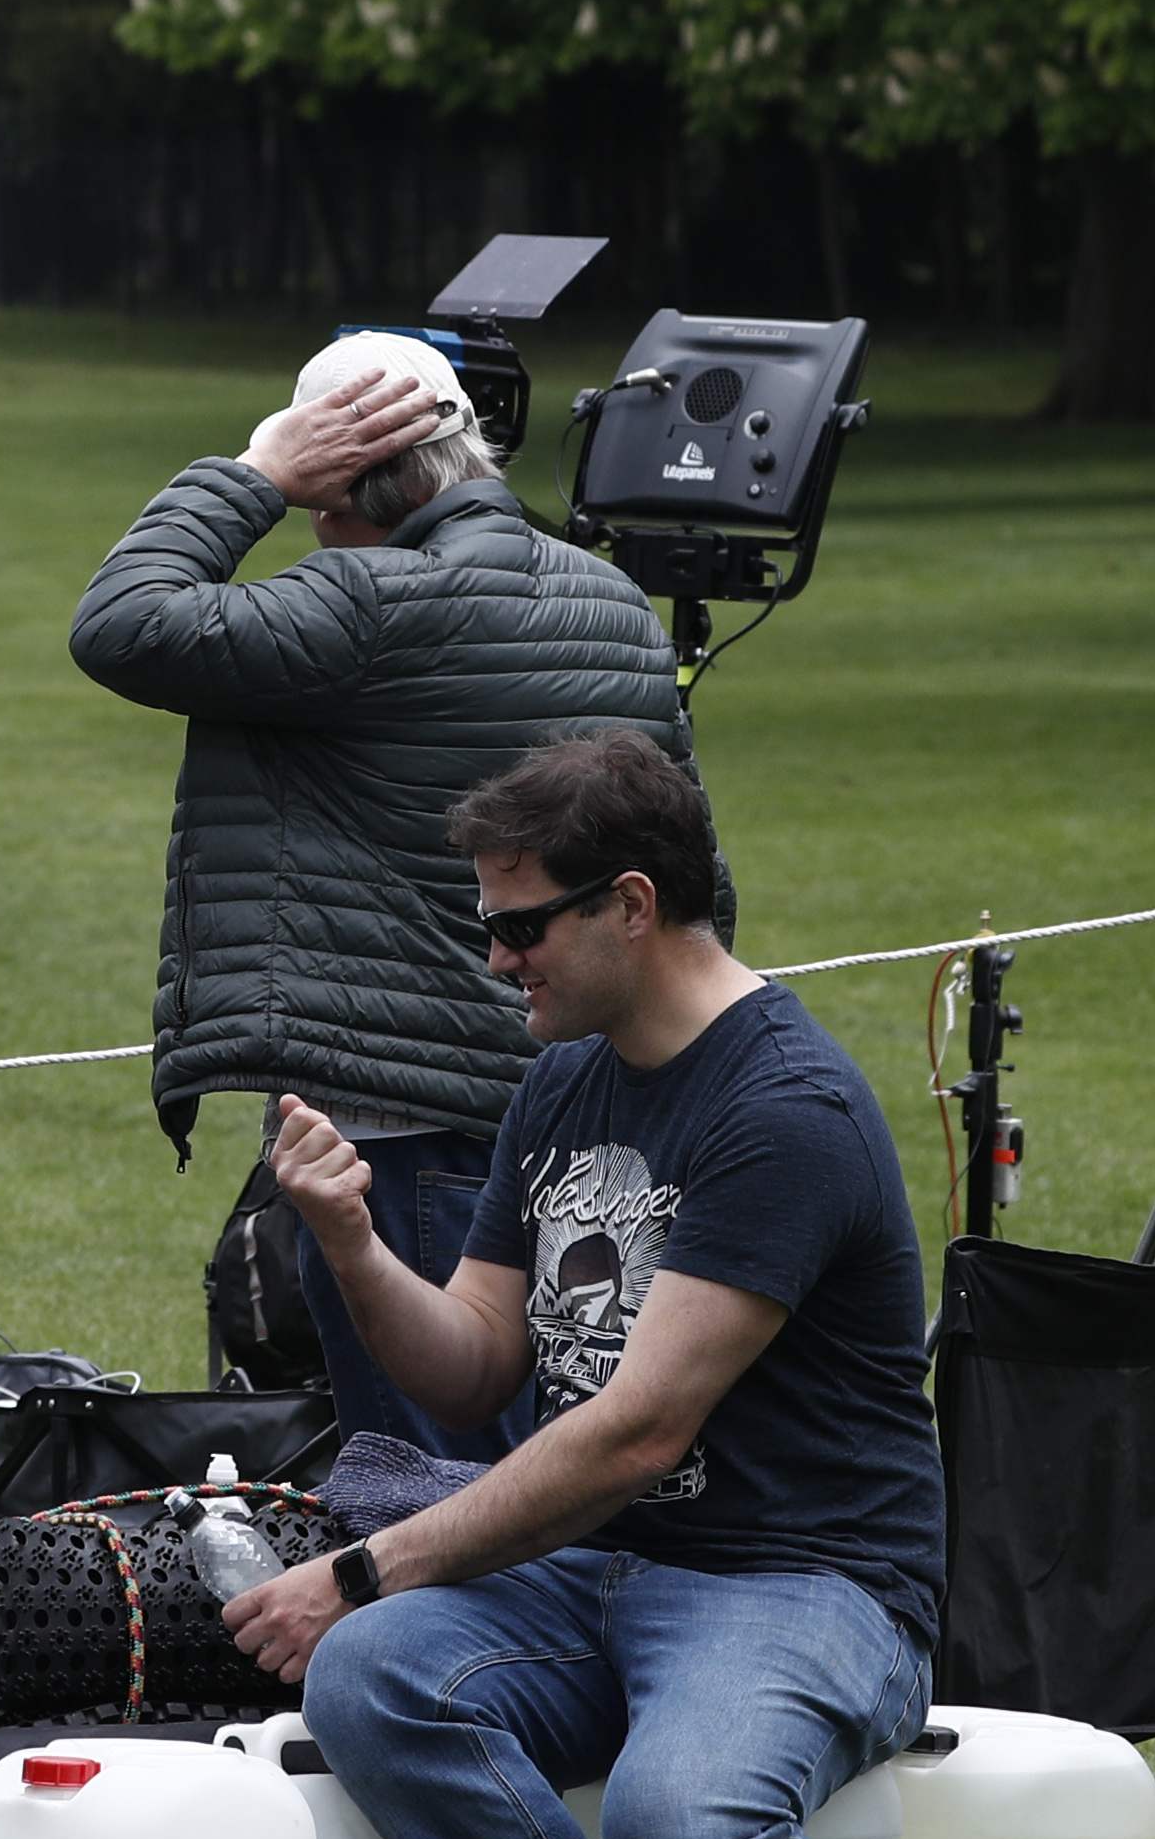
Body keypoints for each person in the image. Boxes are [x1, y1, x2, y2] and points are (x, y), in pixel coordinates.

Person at [216, 730, 1001, 1839]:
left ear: (627, 906)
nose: (495, 958)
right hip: (609, 1570)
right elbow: (471, 1361)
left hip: (807, 1586)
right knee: (374, 1678)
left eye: (517, 925)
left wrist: (371, 1560)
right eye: (486, 926)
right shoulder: (566, 1082)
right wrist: (348, 1236)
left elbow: (638, 1428)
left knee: (674, 1823)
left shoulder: (784, 1110)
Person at [69, 331, 694, 1460]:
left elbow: (121, 622)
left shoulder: (364, 601)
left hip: (404, 1133)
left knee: (436, 1495)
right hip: (588, 1104)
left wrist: (254, 471)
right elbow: (691, 865)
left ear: (340, 482)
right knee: (568, 1468)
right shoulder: (616, 603)